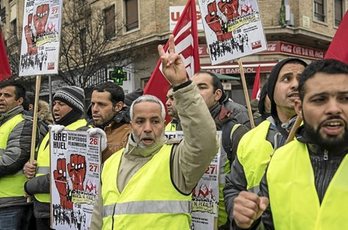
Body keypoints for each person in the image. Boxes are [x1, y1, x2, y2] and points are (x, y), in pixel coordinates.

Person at [90, 35, 218, 229]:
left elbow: (205, 141)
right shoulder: (111, 163)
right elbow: (98, 218)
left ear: (164, 123)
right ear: (131, 124)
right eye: (140, 121)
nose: (148, 128)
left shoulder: (176, 160)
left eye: (155, 121)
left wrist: (182, 85)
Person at [253, 59, 348, 230]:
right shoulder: (279, 160)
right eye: (319, 100)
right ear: (299, 108)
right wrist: (246, 224)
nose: (333, 108)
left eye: (345, 98)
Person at [223, 57, 307, 229]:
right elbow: (234, 187)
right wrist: (239, 213)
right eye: (286, 78)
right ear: (271, 91)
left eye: (302, 79)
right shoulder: (250, 138)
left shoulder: (326, 135)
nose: (295, 85)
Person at [23, 86, 91, 230]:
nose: (55, 108)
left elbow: (66, 174)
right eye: (54, 104)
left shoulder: (81, 133)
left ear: (74, 107)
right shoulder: (54, 130)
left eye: (61, 104)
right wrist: (29, 168)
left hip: (65, 210)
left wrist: (30, 186)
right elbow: (39, 162)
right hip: (43, 207)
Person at [192, 71, 250, 229]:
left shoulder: (235, 132)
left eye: (202, 87)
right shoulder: (178, 130)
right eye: (191, 88)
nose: (195, 92)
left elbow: (244, 184)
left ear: (217, 94)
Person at [0, 80, 33, 230]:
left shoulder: (23, 123)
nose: (1, 98)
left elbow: (12, 160)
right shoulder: (3, 122)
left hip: (11, 201)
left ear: (19, 101)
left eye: (7, 95)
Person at [90, 82, 132, 163]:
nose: (94, 109)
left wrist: (105, 151)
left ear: (118, 106)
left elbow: (124, 167)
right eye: (92, 104)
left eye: (101, 104)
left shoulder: (129, 134)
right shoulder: (87, 129)